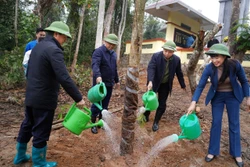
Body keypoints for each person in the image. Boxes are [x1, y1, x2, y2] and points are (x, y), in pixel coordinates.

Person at [13, 21, 85, 167]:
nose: (65, 40)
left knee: (28, 124)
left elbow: (30, 71)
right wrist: (78, 98)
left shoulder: (38, 47)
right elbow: (63, 76)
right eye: (64, 37)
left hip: (31, 95)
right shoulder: (53, 50)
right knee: (41, 128)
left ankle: (20, 156)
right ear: (56, 34)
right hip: (44, 98)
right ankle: (39, 163)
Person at [187, 44, 250, 167]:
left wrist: (248, 97)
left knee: (234, 123)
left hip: (233, 96)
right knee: (216, 122)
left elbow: (244, 81)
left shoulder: (235, 65)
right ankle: (213, 151)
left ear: (225, 56)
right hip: (218, 97)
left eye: (217, 57)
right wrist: (193, 102)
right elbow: (201, 86)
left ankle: (236, 153)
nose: (215, 60)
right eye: (212, 57)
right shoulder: (209, 68)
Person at [143, 40, 186, 132]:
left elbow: (179, 73)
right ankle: (146, 115)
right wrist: (150, 81)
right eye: (165, 51)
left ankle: (156, 122)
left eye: (169, 52)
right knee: (148, 101)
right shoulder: (156, 56)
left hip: (166, 84)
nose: (167, 53)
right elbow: (151, 68)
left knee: (162, 104)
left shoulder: (176, 60)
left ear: (173, 52)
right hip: (154, 82)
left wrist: (183, 85)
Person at [90, 33, 120, 134]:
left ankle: (101, 122)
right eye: (109, 43)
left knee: (105, 104)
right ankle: (93, 124)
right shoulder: (98, 52)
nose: (111, 46)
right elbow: (95, 65)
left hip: (109, 83)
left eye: (113, 45)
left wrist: (117, 80)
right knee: (97, 103)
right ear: (105, 41)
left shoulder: (113, 54)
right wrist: (98, 76)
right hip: (100, 84)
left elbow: (114, 69)